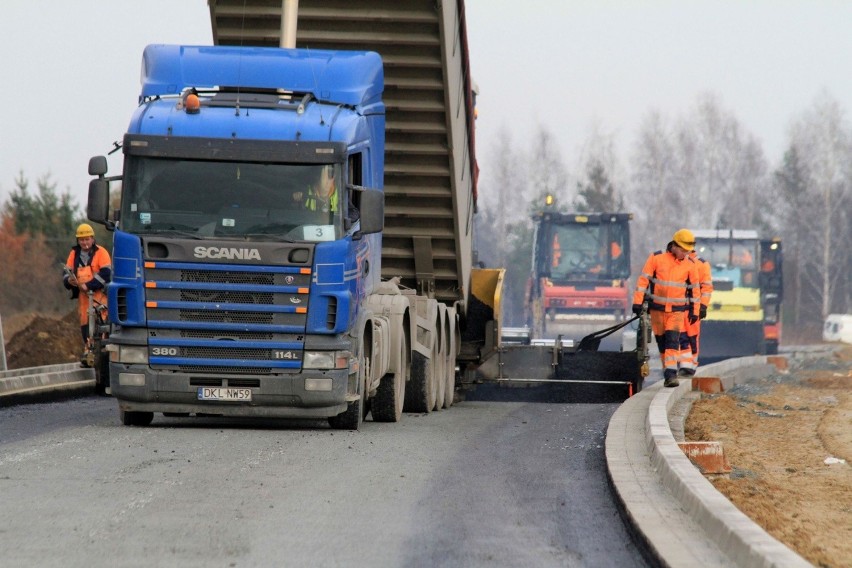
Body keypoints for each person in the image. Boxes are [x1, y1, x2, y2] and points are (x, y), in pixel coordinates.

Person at [632, 229, 701, 387]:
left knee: (672, 342)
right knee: (662, 344)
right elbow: (643, 281)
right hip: (657, 310)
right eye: (683, 250)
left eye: (687, 251)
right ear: (674, 246)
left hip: (676, 311)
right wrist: (637, 302)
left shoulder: (690, 265)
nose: (685, 254)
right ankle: (668, 372)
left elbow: (695, 290)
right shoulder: (656, 258)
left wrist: (695, 311)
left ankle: (671, 375)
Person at [63, 223, 112, 357]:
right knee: (85, 322)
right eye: (81, 240)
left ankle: (101, 350)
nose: (84, 243)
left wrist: (88, 285)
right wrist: (69, 281)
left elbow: (106, 274)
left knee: (101, 320)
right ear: (78, 240)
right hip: (83, 297)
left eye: (87, 239)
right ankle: (88, 350)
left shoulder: (101, 253)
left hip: (99, 295)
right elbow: (66, 272)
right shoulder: (74, 254)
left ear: (92, 239)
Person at [678, 247, 713, 377]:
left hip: (693, 308)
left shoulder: (702, 264)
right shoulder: (678, 262)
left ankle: (690, 365)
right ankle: (686, 365)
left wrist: (703, 306)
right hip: (679, 307)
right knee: (681, 337)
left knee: (692, 337)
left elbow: (706, 288)